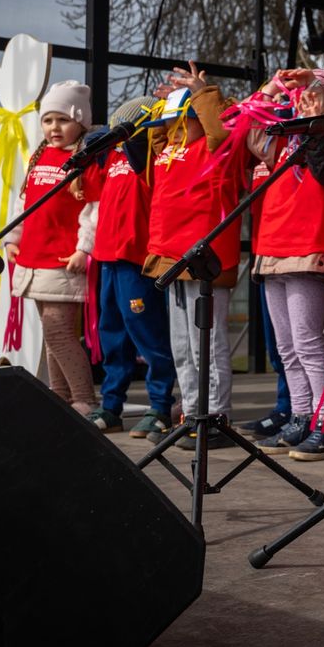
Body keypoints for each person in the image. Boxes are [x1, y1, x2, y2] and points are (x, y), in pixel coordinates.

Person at [247, 68, 324, 461]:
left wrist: (319, 115)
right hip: (271, 246)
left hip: (309, 245)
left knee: (308, 343)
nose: (300, 99)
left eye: (310, 93)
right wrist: (271, 88)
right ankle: (301, 415)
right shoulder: (285, 137)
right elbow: (251, 130)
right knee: (286, 346)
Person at [144, 64, 246, 449]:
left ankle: (214, 416)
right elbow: (156, 140)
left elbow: (220, 130)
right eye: (170, 123)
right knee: (183, 347)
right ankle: (191, 413)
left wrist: (202, 93)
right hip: (170, 258)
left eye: (180, 120)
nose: (173, 128)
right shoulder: (171, 152)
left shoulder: (215, 151)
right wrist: (162, 109)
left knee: (208, 344)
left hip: (205, 260)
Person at [82, 103, 177, 439]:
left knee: (148, 334)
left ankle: (160, 406)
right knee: (113, 336)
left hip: (137, 259)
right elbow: (87, 182)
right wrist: (95, 141)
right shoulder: (112, 157)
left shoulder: (151, 155)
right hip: (107, 257)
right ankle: (111, 406)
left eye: (124, 129)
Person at [3, 80, 98, 415]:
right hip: (34, 257)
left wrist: (84, 248)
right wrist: (13, 238)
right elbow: (24, 204)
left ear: (81, 121)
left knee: (58, 332)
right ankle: (61, 396)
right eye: (48, 120)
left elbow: (93, 210)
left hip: (63, 259)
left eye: (63, 120)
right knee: (52, 333)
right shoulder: (39, 156)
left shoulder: (85, 159)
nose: (54, 127)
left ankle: (84, 399)